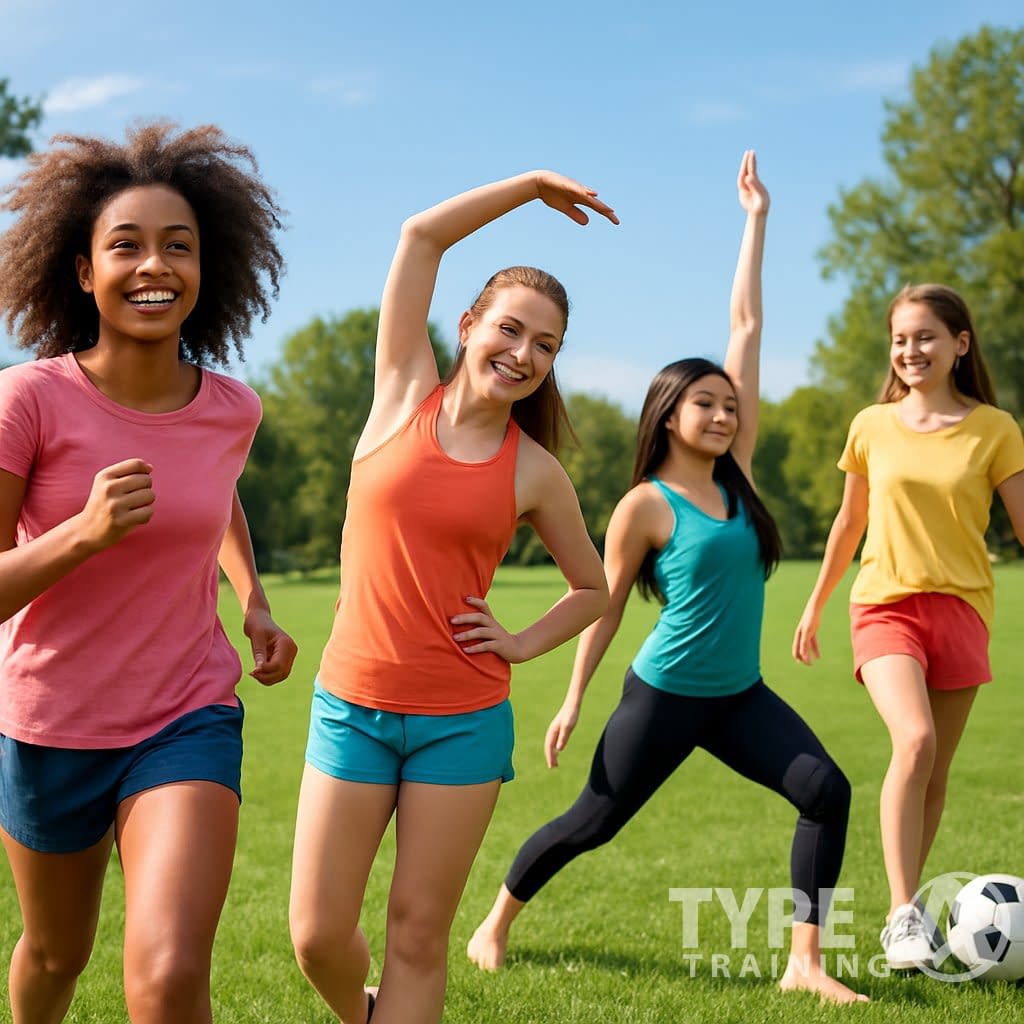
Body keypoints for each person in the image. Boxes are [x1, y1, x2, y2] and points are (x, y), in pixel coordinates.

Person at [468, 152, 867, 1005]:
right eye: (706, 406)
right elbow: (604, 608)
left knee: (825, 790)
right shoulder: (644, 506)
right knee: (592, 824)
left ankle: (804, 963)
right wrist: (576, 697)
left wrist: (756, 222)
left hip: (739, 694)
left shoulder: (739, 477)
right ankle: (494, 923)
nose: (724, 415)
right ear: (669, 414)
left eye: (730, 405)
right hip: (664, 695)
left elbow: (747, 327)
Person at [288, 172, 616, 1024]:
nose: (523, 353)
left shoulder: (535, 472)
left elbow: (594, 588)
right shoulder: (401, 393)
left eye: (545, 345)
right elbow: (419, 239)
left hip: (462, 722)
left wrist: (517, 643)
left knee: (418, 935)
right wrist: (531, 187)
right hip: (351, 705)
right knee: (318, 935)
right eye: (509, 329)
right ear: (468, 326)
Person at [0, 122, 297, 1024]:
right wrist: (81, 537)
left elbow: (219, 499)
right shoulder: (29, 400)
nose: (152, 266)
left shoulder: (231, 409)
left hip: (185, 713)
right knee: (56, 955)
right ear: (83, 271)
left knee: (167, 978)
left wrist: (253, 600)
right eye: (124, 245)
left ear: (207, 270)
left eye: (179, 246)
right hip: (50, 723)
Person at [792, 283, 1024, 970]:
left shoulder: (996, 429)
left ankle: (910, 914)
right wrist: (815, 602)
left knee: (937, 770)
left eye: (924, 336)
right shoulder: (871, 424)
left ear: (960, 343)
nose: (910, 350)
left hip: (963, 609)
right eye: (900, 339)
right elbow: (848, 522)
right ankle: (902, 914)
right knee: (915, 741)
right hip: (884, 603)